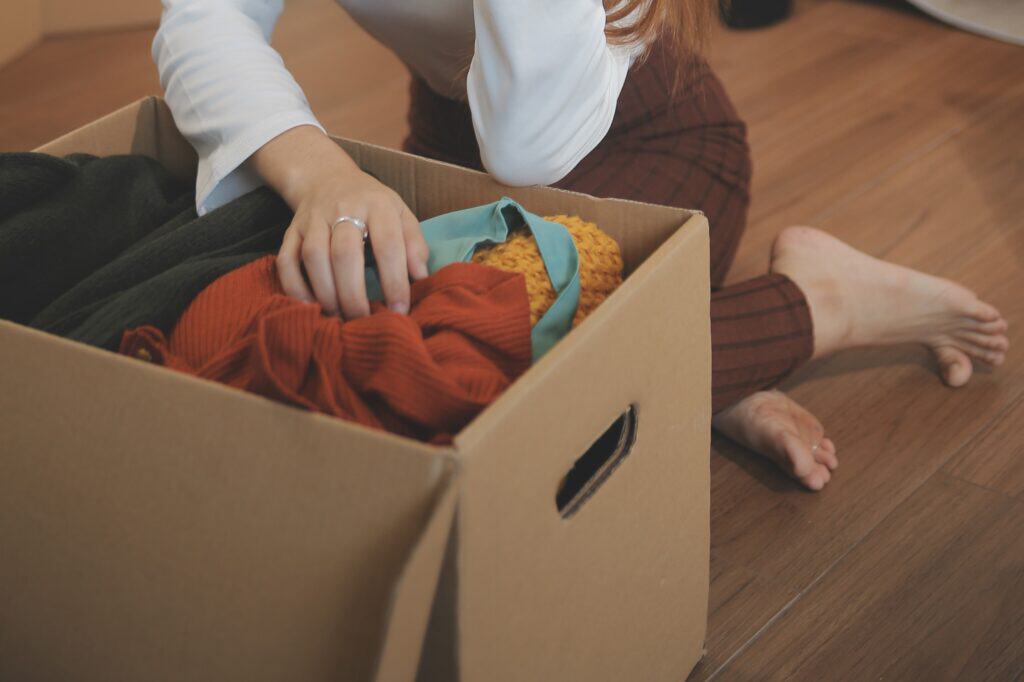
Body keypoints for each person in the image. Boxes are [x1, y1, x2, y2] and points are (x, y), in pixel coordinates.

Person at [152, 0, 1009, 491]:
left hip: (651, 148)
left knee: (484, 404)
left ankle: (817, 304)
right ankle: (704, 361)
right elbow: (204, 15)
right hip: (455, 159)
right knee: (384, 366)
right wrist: (321, 174)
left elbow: (531, 142)